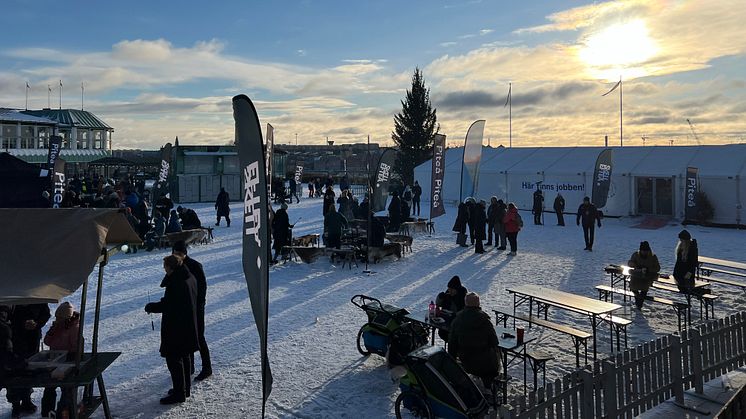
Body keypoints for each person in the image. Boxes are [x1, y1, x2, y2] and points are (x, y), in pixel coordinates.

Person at [145, 255, 200, 404]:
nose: (164, 270)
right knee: (185, 356)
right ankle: (184, 388)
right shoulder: (189, 277)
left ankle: (179, 393)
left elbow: (170, 304)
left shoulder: (177, 283)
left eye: (165, 267)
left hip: (177, 327)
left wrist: (152, 307)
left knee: (174, 360)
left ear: (171, 267)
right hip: (187, 324)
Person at [171, 241, 212, 382]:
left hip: (196, 307)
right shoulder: (177, 265)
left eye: (178, 253)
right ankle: (190, 367)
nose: (176, 255)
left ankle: (207, 368)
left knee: (199, 337)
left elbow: (202, 287)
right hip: (186, 308)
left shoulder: (195, 265)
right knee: (187, 336)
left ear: (184, 253)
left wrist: (198, 304)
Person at [447, 292, 500, 388]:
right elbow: (494, 342)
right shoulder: (484, 320)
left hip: (466, 361)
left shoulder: (457, 320)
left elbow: (452, 345)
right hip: (486, 364)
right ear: (478, 303)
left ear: (465, 303)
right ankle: (489, 385)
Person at [7, 304, 51, 416]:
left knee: (29, 369)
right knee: (13, 371)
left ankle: (26, 400)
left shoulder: (37, 295)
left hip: (32, 339)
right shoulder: (11, 295)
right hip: (13, 339)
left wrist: (37, 323)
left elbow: (45, 313)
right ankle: (15, 404)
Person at [41, 302, 80, 417]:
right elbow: (47, 342)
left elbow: (76, 348)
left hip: (67, 364)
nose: (57, 319)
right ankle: (46, 413)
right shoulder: (57, 327)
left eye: (59, 318)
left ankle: (63, 413)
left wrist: (68, 358)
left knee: (66, 390)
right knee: (49, 388)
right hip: (55, 361)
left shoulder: (75, 329)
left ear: (66, 318)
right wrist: (52, 331)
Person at [627, 241, 661, 309]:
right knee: (633, 287)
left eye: (645, 251)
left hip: (647, 278)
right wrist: (635, 265)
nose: (644, 252)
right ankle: (638, 300)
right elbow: (629, 263)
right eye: (642, 251)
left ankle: (639, 303)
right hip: (636, 276)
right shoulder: (636, 255)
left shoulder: (653, 257)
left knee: (644, 289)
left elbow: (658, 268)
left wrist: (649, 269)